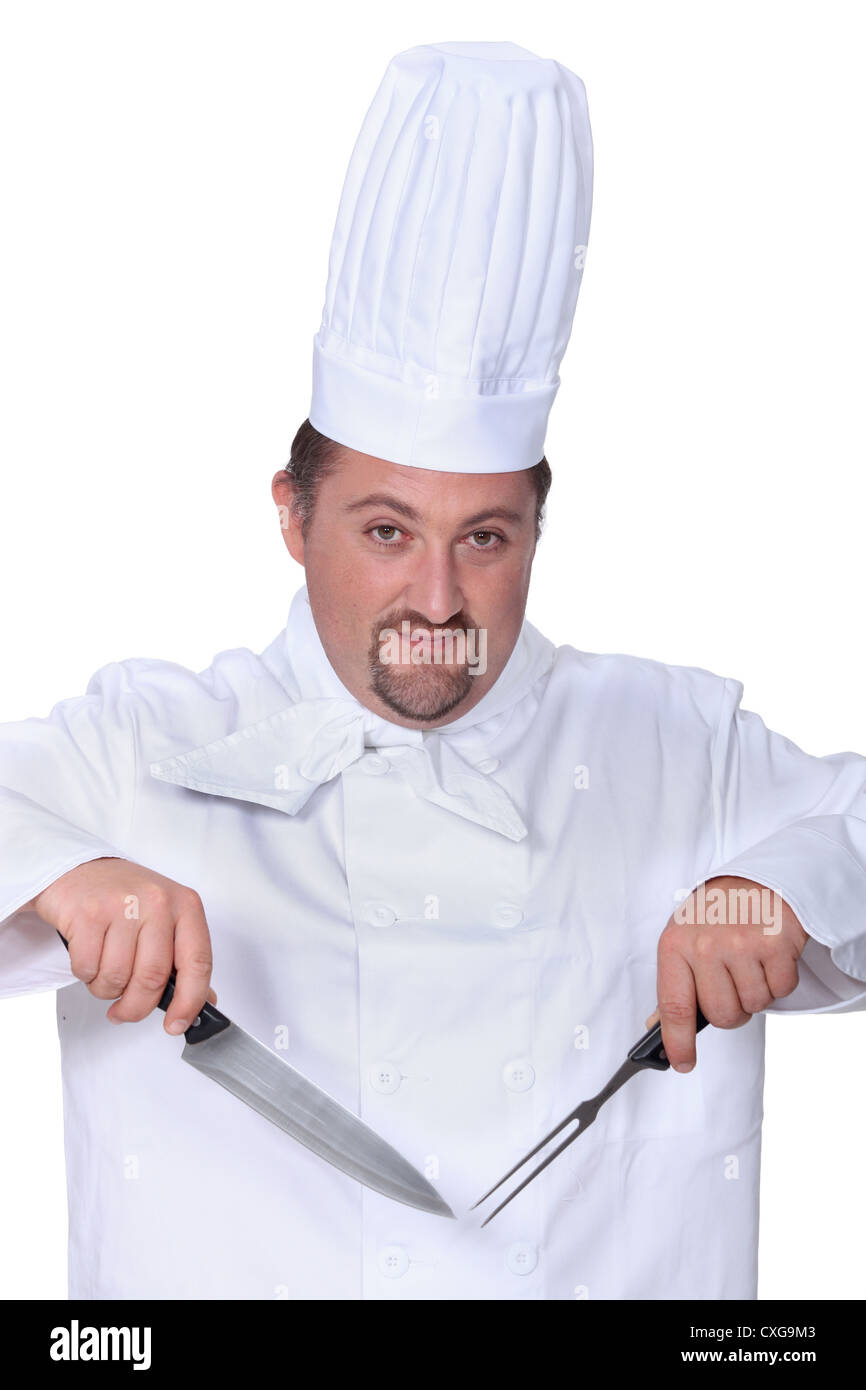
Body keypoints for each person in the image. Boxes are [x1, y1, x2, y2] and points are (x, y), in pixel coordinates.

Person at [1, 41, 864, 1302]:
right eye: (386, 531)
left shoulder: (681, 746)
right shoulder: (138, 745)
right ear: (293, 516)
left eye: (486, 538)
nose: (439, 602)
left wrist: (783, 882)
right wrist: (61, 876)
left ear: (534, 534)